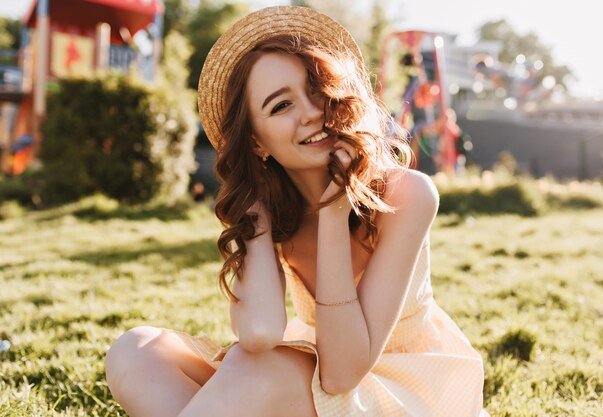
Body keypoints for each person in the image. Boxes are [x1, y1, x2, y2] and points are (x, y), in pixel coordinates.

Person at [104, 6, 488, 417]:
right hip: (313, 379)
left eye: (316, 88)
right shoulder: (272, 211)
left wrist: (332, 214)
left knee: (257, 370)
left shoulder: (407, 195)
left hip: (403, 388)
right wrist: (255, 218)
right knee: (136, 352)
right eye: (281, 106)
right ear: (256, 143)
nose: (309, 111)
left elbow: (342, 373)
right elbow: (259, 331)